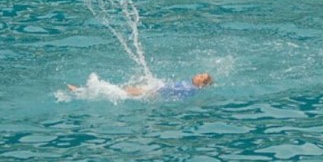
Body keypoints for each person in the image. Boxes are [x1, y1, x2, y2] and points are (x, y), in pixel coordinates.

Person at [67, 72, 213, 99]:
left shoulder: (190, 89)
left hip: (153, 93)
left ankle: (82, 91)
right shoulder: (188, 85)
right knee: (124, 90)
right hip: (155, 88)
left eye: (201, 76)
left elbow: (173, 95)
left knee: (122, 93)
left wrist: (154, 93)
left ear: (202, 84)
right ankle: (84, 90)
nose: (197, 75)